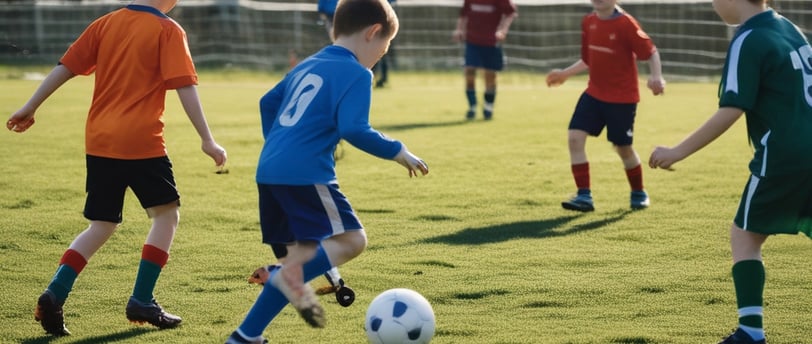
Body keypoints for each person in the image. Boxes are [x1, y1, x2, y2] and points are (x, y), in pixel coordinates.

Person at [5, 0, 228, 337]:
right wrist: (208, 140)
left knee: (102, 223)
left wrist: (30, 106)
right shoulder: (168, 29)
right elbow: (185, 86)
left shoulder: (105, 23)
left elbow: (65, 66)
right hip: (141, 141)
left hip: (99, 140)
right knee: (166, 215)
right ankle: (141, 299)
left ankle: (55, 293)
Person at [226, 0, 428, 342]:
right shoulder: (357, 73)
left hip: (269, 170)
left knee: (299, 262)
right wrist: (398, 150)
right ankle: (279, 280)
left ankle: (246, 336)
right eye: (385, 46)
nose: (382, 54)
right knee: (352, 240)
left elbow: (267, 102)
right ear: (373, 33)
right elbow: (354, 128)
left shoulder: (310, 63)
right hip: (304, 174)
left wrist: (281, 143)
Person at [649, 0, 812, 343]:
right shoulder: (790, 28)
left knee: (745, 234)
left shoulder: (747, 39)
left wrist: (677, 151)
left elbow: (732, 108)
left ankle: (750, 333)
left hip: (785, 155)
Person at [546, 0, 665, 212]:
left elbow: (651, 52)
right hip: (594, 93)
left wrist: (657, 77)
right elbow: (588, 59)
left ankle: (638, 192)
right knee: (574, 138)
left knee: (623, 148)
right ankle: (584, 196)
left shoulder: (626, 24)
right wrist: (564, 74)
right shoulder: (589, 21)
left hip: (622, 99)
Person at [452, 0, 517, 120]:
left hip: (491, 42)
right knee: (469, 72)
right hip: (472, 41)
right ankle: (472, 107)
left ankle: (488, 106)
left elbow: (510, 13)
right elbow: (463, 13)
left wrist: (503, 29)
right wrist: (459, 29)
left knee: (489, 76)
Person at [372, 0, 396, 88]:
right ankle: (380, 78)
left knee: (380, 54)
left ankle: (381, 78)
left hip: (382, 25)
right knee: (379, 54)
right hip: (379, 24)